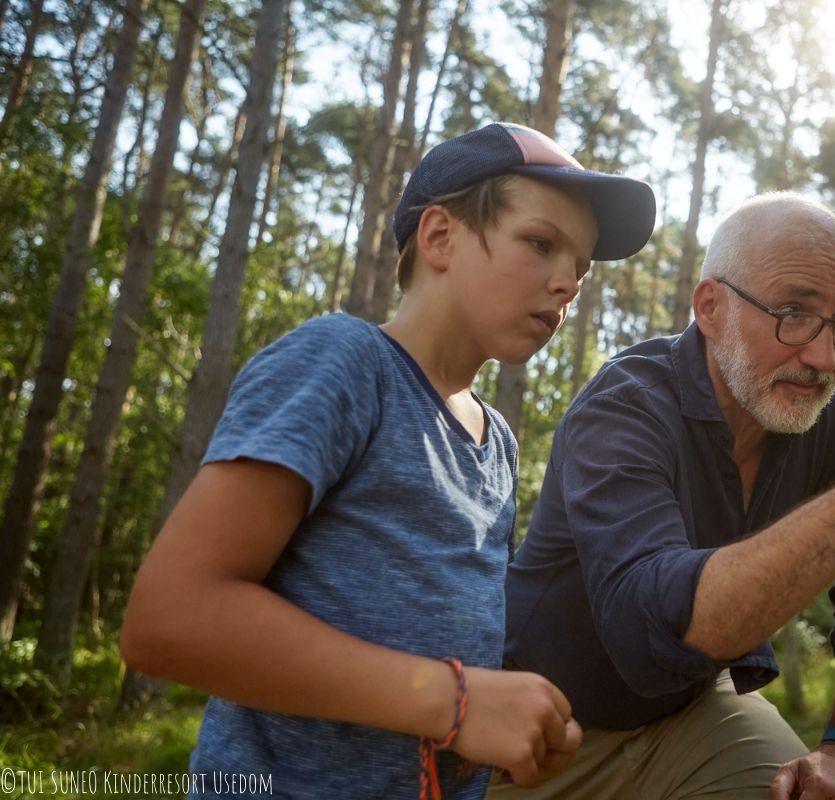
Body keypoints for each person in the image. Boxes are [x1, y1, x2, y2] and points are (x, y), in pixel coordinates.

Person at [119, 122, 656, 800]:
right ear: (439, 237)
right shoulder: (344, 363)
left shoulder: (498, 443)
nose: (566, 284)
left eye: (579, 268)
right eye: (542, 244)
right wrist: (454, 702)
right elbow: (169, 618)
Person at [492, 193, 835, 800]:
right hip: (540, 726)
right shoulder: (625, 405)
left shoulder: (826, 416)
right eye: (793, 312)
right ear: (710, 307)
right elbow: (648, 631)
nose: (824, 356)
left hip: (694, 713)